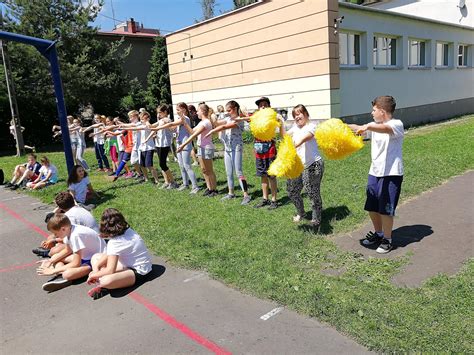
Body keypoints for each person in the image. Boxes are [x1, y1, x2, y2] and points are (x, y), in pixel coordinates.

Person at [349, 96, 404, 254]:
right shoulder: (374, 126)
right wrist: (340, 126)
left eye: (374, 110)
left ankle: (388, 239)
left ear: (382, 111)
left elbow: (384, 129)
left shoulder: (396, 124)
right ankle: (379, 233)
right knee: (372, 206)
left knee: (386, 208)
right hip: (374, 172)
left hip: (391, 173)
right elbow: (359, 128)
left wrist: (367, 126)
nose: (372, 113)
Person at [86, 208, 152, 299]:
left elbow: (110, 270)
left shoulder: (114, 243)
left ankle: (105, 285)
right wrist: (97, 267)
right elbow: (110, 253)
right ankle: (106, 282)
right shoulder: (128, 231)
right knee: (96, 258)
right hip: (128, 263)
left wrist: (94, 274)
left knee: (106, 280)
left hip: (140, 272)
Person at [37, 214, 106, 292]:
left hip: (96, 260)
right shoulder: (69, 229)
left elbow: (76, 263)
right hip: (85, 256)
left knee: (67, 274)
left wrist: (52, 271)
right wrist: (50, 261)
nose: (55, 236)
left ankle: (63, 275)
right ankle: (61, 276)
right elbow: (67, 250)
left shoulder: (76, 236)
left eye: (56, 234)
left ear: (63, 229)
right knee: (56, 257)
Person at [285, 104, 324, 226]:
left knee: (311, 191)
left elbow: (306, 137)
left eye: (299, 113)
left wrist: (294, 145)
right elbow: (285, 135)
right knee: (292, 190)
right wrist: (279, 123)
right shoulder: (295, 127)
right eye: (295, 115)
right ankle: (301, 213)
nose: (297, 117)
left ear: (306, 114)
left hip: (313, 164)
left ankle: (316, 218)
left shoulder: (312, 126)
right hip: (298, 165)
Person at [206, 100, 251, 205]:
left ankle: (246, 195)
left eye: (229, 110)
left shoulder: (239, 120)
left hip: (236, 148)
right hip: (228, 149)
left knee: (238, 172)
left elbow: (224, 127)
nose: (227, 112)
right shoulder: (227, 118)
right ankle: (231, 193)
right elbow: (217, 123)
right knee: (228, 172)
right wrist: (212, 116)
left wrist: (213, 131)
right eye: (226, 110)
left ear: (235, 109)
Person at [33, 191, 100, 258]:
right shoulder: (78, 208)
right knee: (52, 237)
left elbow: (70, 237)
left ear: (59, 207)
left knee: (55, 249)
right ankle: (49, 248)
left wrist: (54, 241)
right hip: (90, 238)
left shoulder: (70, 217)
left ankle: (49, 252)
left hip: (88, 243)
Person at [249, 97, 285, 209]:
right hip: (259, 151)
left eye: (265, 104)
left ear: (269, 107)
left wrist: (280, 120)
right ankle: (265, 198)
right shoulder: (255, 118)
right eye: (260, 105)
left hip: (270, 151)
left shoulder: (272, 118)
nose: (262, 106)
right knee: (262, 176)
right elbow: (244, 116)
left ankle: (274, 200)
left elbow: (281, 130)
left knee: (271, 176)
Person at [158, 103, 199, 193]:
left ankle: (195, 186)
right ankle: (185, 184)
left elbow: (172, 124)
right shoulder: (179, 119)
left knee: (187, 166)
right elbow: (172, 128)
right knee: (181, 166)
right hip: (179, 144)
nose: (176, 112)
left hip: (185, 144)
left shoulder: (185, 119)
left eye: (178, 110)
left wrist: (167, 123)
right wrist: (167, 125)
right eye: (176, 110)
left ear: (184, 109)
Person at [177, 103, 217, 196]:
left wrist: (183, 145)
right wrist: (184, 121)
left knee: (209, 170)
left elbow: (194, 135)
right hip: (200, 148)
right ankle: (209, 188)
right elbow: (191, 131)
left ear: (202, 111)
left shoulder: (206, 122)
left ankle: (214, 189)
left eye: (198, 111)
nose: (196, 113)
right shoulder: (201, 122)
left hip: (206, 149)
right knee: (204, 170)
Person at [146, 104, 178, 189]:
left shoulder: (166, 119)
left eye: (160, 112)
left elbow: (171, 126)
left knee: (162, 164)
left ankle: (173, 182)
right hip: (159, 143)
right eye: (157, 113)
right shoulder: (160, 120)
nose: (158, 114)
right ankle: (167, 181)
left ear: (165, 112)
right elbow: (152, 126)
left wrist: (169, 123)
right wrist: (146, 121)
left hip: (165, 144)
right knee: (162, 164)